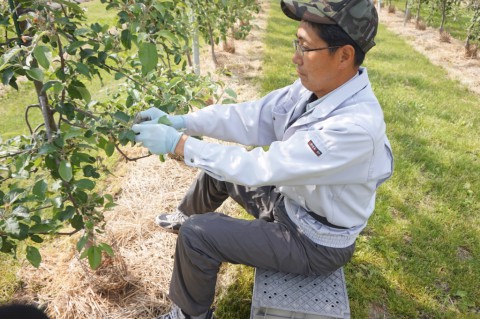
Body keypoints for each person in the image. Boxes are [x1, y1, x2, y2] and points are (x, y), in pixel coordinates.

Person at [131, 0, 394, 318]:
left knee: (199, 235)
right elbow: (250, 117)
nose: (296, 58)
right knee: (219, 173)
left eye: (306, 48)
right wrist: (183, 122)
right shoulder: (314, 89)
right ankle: (183, 216)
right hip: (292, 204)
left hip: (312, 241)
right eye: (296, 43)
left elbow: (261, 168)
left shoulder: (353, 127)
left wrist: (180, 145)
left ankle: (189, 314)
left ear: (344, 55)